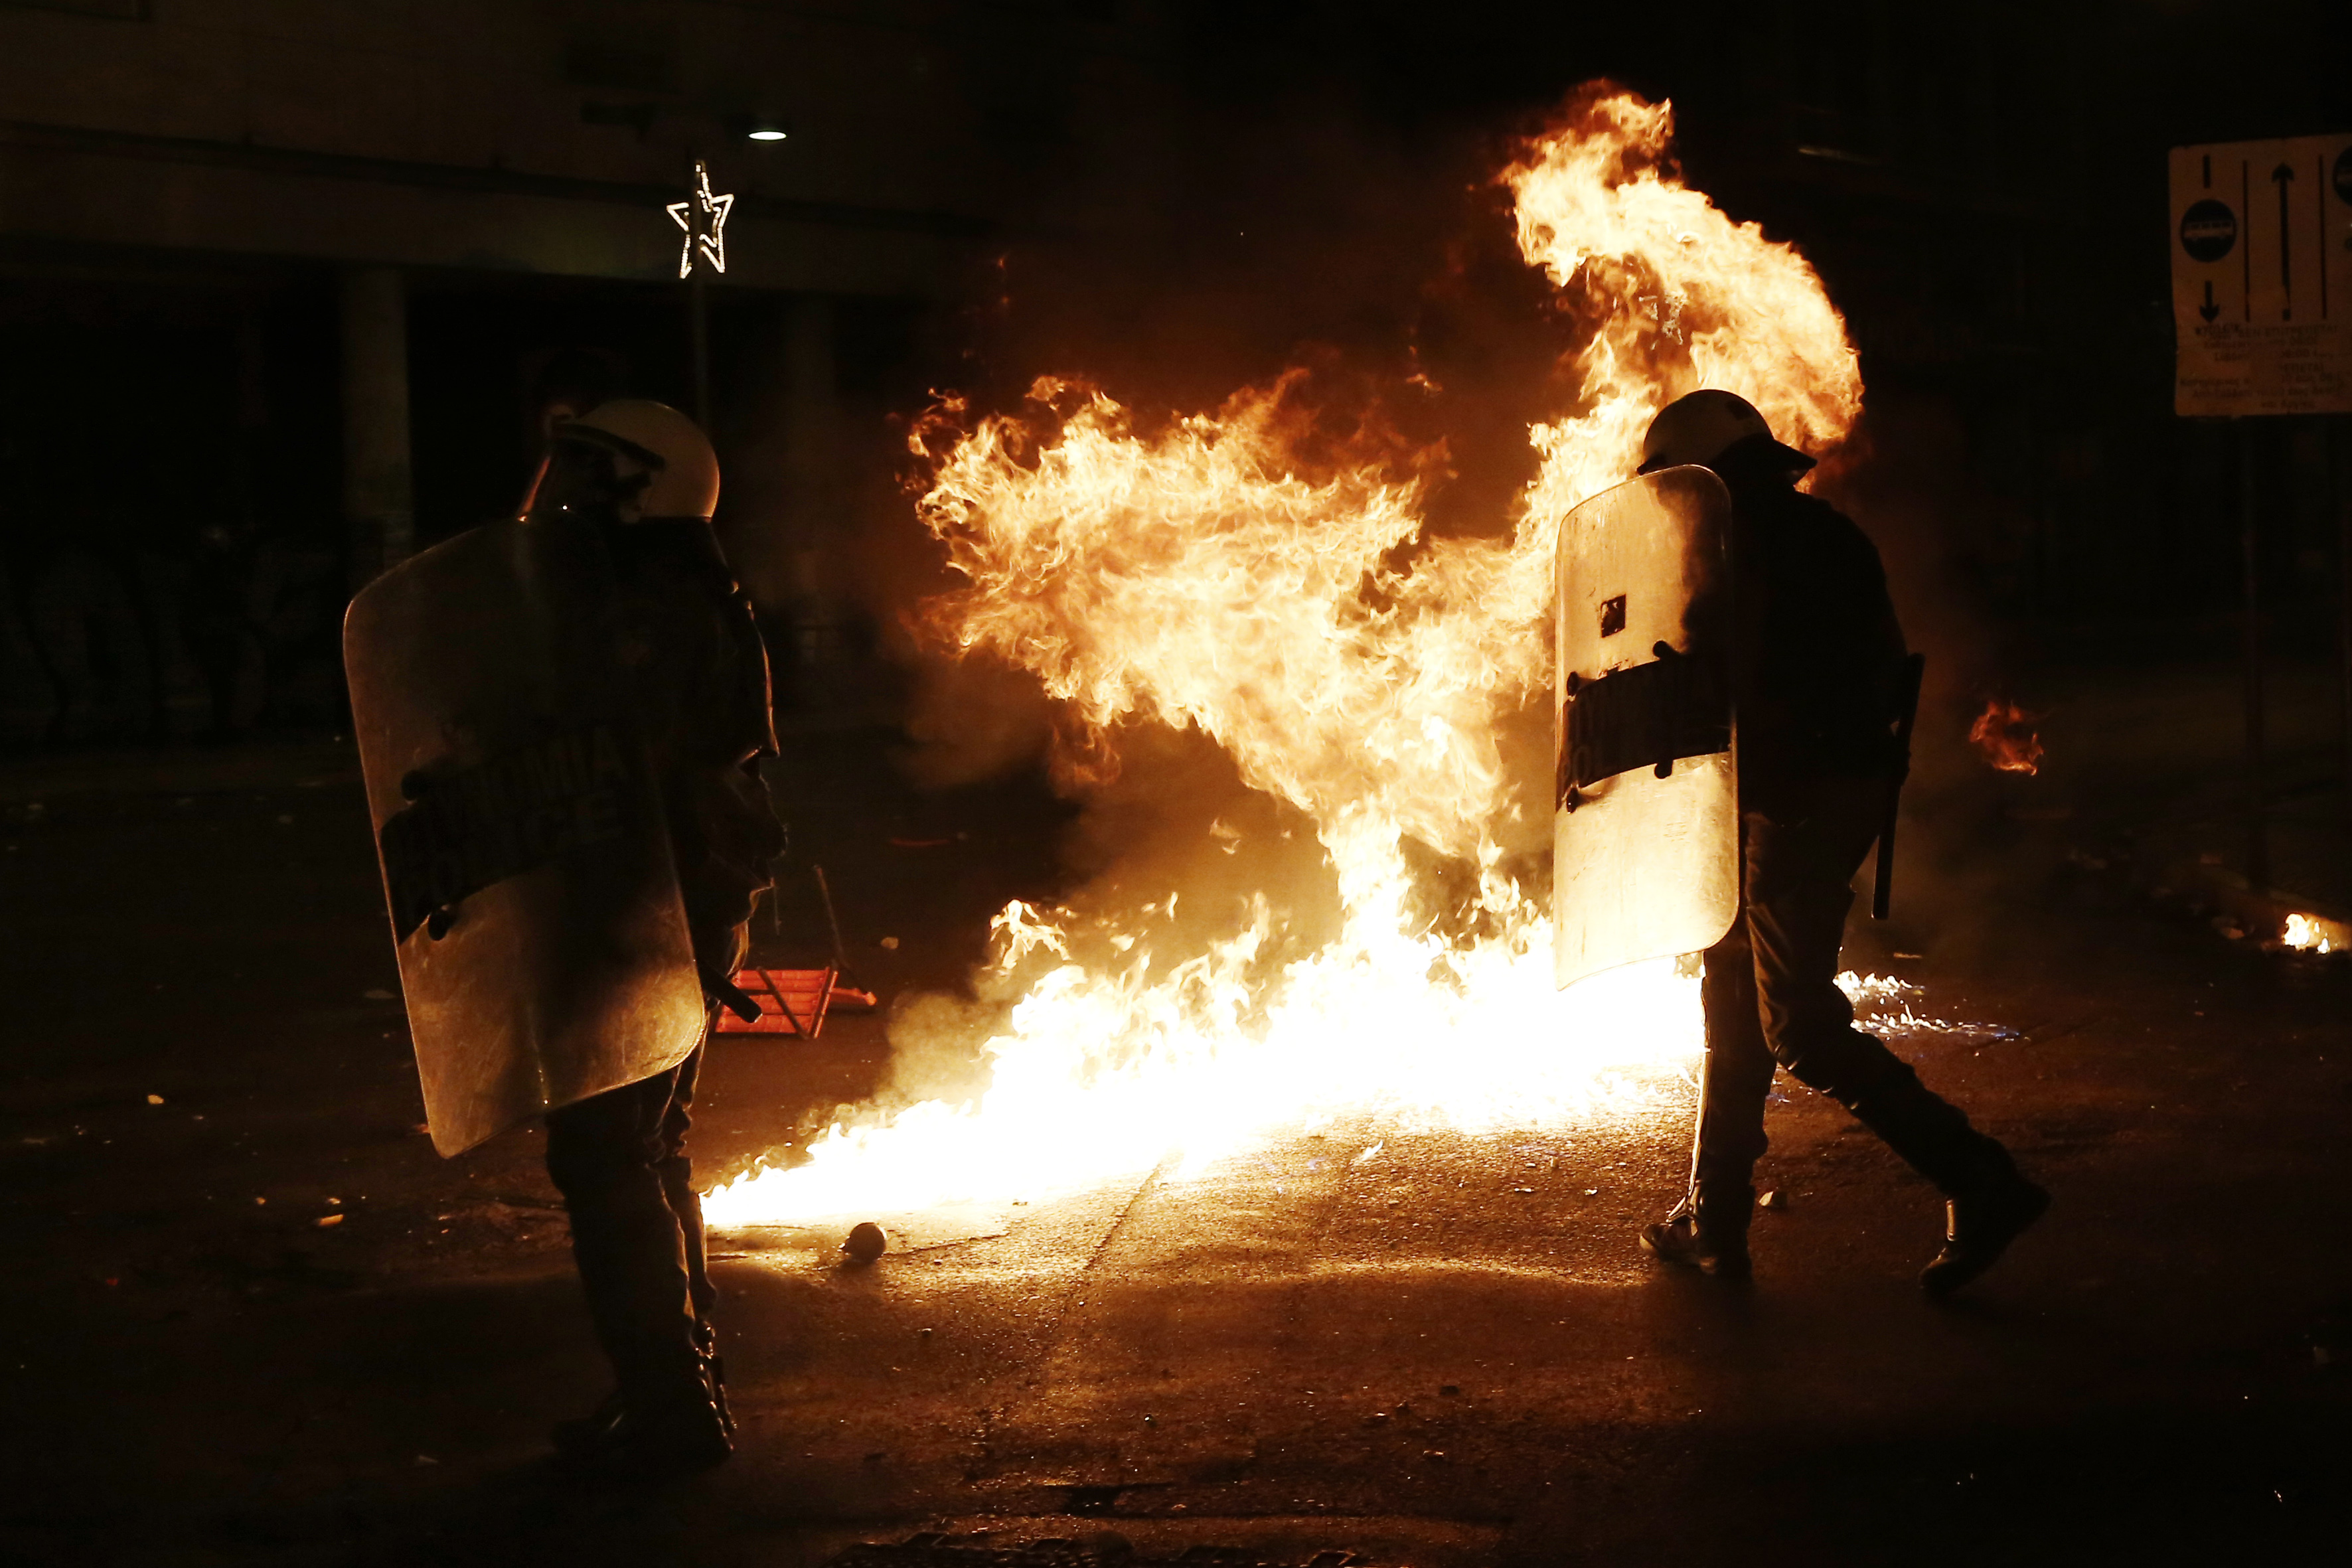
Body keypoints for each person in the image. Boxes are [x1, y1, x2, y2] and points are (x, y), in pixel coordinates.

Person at [1632, 390, 2046, 1295]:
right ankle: (1714, 1217)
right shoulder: (1821, 532)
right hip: (1819, 791)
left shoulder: (1735, 549)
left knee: (1799, 1026)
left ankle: (1981, 1180)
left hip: (1793, 800)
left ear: (1698, 478)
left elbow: (1728, 688)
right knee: (1732, 993)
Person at [525, 400, 784, 1475]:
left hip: (656, 899)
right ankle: (673, 1386)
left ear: (647, 485)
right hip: (670, 893)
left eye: (590, 471)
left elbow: (628, 754)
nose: (566, 492)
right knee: (648, 1144)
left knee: (605, 1151)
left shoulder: (657, 604)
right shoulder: (667, 587)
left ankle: (673, 1407)